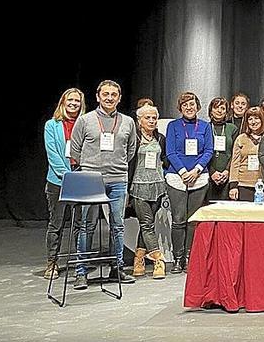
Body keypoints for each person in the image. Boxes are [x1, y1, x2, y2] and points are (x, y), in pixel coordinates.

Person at [69, 80, 138, 289]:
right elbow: (75, 150)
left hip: (118, 179)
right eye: (105, 94)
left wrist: (116, 166)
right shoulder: (85, 120)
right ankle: (81, 272)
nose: (109, 98)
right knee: (86, 226)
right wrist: (91, 167)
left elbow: (131, 150)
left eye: (114, 95)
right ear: (98, 96)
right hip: (91, 179)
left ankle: (117, 268)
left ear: (119, 97)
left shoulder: (127, 122)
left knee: (117, 226)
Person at [164, 91, 214, 274]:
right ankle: (178, 259)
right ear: (180, 108)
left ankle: (190, 257)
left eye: (192, 104)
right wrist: (184, 172)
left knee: (193, 221)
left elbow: (209, 150)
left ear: (198, 106)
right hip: (177, 177)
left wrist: (196, 170)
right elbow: (170, 152)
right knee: (178, 220)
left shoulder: (205, 127)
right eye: (185, 104)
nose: (189, 107)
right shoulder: (173, 126)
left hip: (199, 178)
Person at [42, 88, 85, 280]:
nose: (74, 103)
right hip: (58, 181)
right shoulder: (51, 125)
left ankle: (79, 264)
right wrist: (67, 175)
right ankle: (52, 263)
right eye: (70, 100)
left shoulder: (84, 124)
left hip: (80, 179)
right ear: (63, 102)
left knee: (80, 224)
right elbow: (53, 155)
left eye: (77, 100)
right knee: (56, 224)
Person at [128, 104, 169, 279]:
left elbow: (165, 159)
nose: (151, 121)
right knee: (146, 224)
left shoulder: (160, 138)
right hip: (139, 186)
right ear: (139, 120)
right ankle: (158, 259)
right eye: (147, 118)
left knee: (148, 225)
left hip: (158, 186)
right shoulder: (134, 138)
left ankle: (139, 259)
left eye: (154, 118)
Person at [229, 106, 264, 201]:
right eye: (250, 119)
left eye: (256, 118)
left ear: (262, 119)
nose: (253, 122)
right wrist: (233, 186)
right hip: (243, 184)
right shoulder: (241, 138)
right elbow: (235, 163)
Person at [207, 97, 237, 201]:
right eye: (216, 108)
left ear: (226, 112)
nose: (219, 111)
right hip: (208, 175)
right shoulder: (204, 127)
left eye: (222, 108)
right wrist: (212, 172)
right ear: (211, 110)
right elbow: (201, 152)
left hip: (226, 175)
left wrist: (227, 171)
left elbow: (235, 153)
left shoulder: (232, 128)